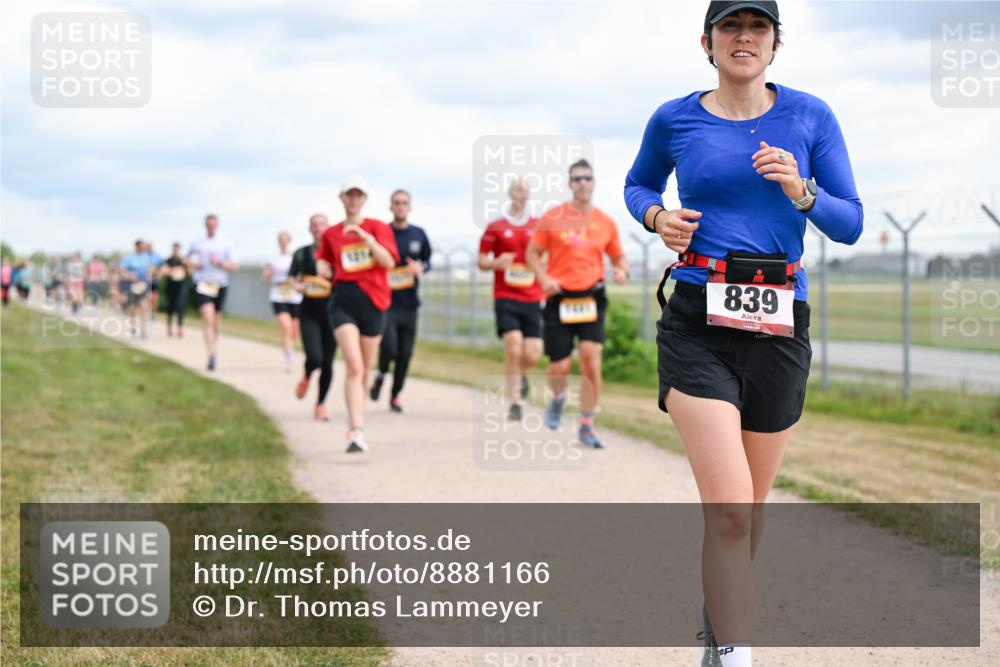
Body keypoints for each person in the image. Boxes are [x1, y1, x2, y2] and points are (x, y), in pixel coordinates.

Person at [623, 3, 864, 665]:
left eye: (758, 28)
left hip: (779, 322)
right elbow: (639, 182)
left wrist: (801, 189)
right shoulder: (675, 118)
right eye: (731, 27)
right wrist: (655, 216)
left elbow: (850, 224)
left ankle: (716, 624)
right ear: (707, 42)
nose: (744, 39)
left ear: (776, 43)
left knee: (750, 512)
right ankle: (734, 652)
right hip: (699, 318)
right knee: (729, 510)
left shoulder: (811, 116)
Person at [526, 159, 628, 448]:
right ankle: (558, 397)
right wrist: (543, 279)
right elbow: (533, 253)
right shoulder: (552, 217)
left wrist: (621, 269)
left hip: (592, 296)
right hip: (559, 296)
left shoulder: (605, 221)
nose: (583, 183)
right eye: (577, 178)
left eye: (587, 178)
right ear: (570, 184)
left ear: (594, 183)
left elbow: (618, 255)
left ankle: (586, 423)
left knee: (590, 358)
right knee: (559, 366)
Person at [316, 177, 399, 453]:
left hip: (374, 303)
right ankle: (355, 429)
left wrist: (368, 240)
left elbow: (388, 262)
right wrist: (320, 265)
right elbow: (324, 258)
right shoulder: (332, 233)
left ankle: (357, 420)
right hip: (343, 302)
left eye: (358, 195)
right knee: (354, 365)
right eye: (348, 195)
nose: (353, 200)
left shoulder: (378, 227)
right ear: (341, 198)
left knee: (364, 369)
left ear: (365, 199)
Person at [478, 177, 545, 422]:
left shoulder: (539, 225)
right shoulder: (495, 226)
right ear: (509, 193)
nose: (522, 194)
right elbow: (481, 261)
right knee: (514, 346)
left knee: (532, 353)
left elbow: (547, 255)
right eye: (518, 189)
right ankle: (515, 402)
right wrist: (496, 263)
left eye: (526, 190)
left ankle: (519, 374)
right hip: (505, 295)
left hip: (532, 295)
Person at [370, 189, 431, 413]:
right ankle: (380, 374)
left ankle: (395, 395)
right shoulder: (382, 233)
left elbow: (427, 261)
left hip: (410, 303)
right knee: (390, 348)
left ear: (410, 206)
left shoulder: (419, 234)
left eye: (404, 203)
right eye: (396, 203)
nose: (400, 207)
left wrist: (420, 267)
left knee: (405, 353)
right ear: (390, 206)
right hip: (386, 302)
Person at [290, 214, 336, 421]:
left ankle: (320, 404)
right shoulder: (302, 253)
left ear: (328, 227)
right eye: (314, 225)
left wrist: (331, 277)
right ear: (310, 229)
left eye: (322, 224)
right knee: (315, 357)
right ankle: (307, 376)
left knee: (328, 362)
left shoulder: (336, 252)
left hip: (333, 313)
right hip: (309, 311)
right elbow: (293, 277)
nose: (318, 228)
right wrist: (297, 285)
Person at [187, 214, 238, 370]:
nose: (211, 227)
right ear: (205, 225)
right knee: (208, 318)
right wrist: (195, 265)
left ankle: (214, 349)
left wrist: (220, 262)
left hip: (220, 284)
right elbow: (185, 260)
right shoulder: (197, 243)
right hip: (203, 283)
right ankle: (210, 354)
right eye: (209, 224)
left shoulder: (225, 243)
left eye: (213, 224)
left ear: (217, 225)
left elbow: (235, 266)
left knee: (216, 321)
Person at [263, 231, 302, 371]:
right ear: (278, 242)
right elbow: (266, 278)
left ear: (289, 241)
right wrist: (269, 273)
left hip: (294, 296)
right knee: (286, 327)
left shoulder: (295, 257)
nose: (283, 242)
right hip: (279, 295)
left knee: (295, 331)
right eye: (281, 240)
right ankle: (289, 358)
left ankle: (290, 348)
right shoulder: (273, 259)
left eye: (286, 240)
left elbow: (301, 276)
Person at [121, 240, 153, 338]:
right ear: (136, 247)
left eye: (143, 247)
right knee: (133, 308)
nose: (142, 249)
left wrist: (149, 276)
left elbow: (150, 270)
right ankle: (133, 328)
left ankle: (143, 331)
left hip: (143, 285)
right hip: (132, 285)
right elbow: (122, 271)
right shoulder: (130, 258)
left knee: (144, 306)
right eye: (141, 247)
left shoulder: (146, 257)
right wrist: (129, 275)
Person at [161, 242, 189, 338]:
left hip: (181, 286)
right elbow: (163, 272)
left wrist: (185, 266)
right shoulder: (169, 260)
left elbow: (189, 272)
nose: (176, 251)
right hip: (171, 286)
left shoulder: (183, 260)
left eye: (177, 249)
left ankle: (180, 328)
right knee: (170, 307)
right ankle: (169, 327)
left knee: (181, 306)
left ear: (179, 250)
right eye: (174, 249)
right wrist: (171, 271)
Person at [143, 242, 164, 320]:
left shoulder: (157, 257)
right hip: (145, 280)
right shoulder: (144, 256)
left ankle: (153, 313)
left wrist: (158, 276)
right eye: (148, 247)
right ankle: (146, 312)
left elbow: (162, 268)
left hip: (154, 280)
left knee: (154, 298)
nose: (149, 248)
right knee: (147, 297)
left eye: (151, 246)